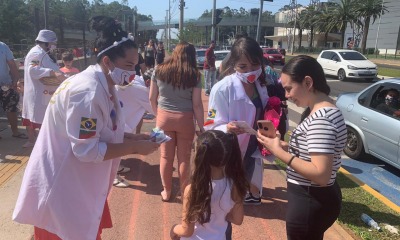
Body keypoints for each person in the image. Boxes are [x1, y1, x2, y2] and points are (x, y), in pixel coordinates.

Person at [13, 16, 160, 240]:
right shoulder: (87, 93)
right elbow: (87, 150)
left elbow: (103, 129)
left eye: (136, 65)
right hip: (62, 191)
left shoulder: (104, 84)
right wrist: (135, 149)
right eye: (129, 65)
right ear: (108, 61)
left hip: (77, 187)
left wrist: (132, 138)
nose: (134, 72)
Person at [257, 55, 347, 240]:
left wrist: (279, 152)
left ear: (307, 82)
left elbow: (320, 174)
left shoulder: (321, 119)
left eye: (289, 89)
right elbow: (316, 150)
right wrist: (287, 146)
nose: (287, 95)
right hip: (314, 198)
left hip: (310, 199)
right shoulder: (325, 109)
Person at [205, 36, 269, 205]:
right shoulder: (221, 89)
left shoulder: (260, 86)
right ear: (233, 65)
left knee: (241, 188)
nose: (250, 71)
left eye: (255, 65)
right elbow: (210, 123)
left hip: (252, 148)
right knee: (225, 193)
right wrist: (227, 128)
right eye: (243, 66)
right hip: (230, 151)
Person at [149, 41, 204, 202]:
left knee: (165, 157)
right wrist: (202, 127)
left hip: (163, 118)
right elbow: (197, 104)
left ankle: (166, 191)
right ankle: (185, 192)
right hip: (185, 119)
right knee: (184, 159)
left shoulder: (159, 70)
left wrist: (157, 115)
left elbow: (152, 98)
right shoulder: (195, 75)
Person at [170, 130, 248, 239]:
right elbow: (238, 220)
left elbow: (187, 231)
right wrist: (219, 216)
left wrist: (173, 229)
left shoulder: (193, 189)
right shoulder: (233, 186)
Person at [21, 29, 66, 148]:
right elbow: (33, 70)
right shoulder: (36, 53)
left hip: (45, 91)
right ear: (46, 43)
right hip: (39, 92)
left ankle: (41, 143)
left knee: (42, 118)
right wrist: (52, 72)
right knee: (40, 119)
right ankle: (40, 144)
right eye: (52, 44)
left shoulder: (43, 53)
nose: (53, 46)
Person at [0, 41, 27, 140]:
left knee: (11, 108)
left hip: (6, 83)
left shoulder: (3, 46)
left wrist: (16, 79)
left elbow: (12, 64)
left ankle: (15, 131)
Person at [264, 57, 288, 140]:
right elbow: (281, 90)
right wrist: (285, 106)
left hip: (270, 110)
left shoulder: (264, 73)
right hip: (277, 109)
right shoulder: (270, 71)